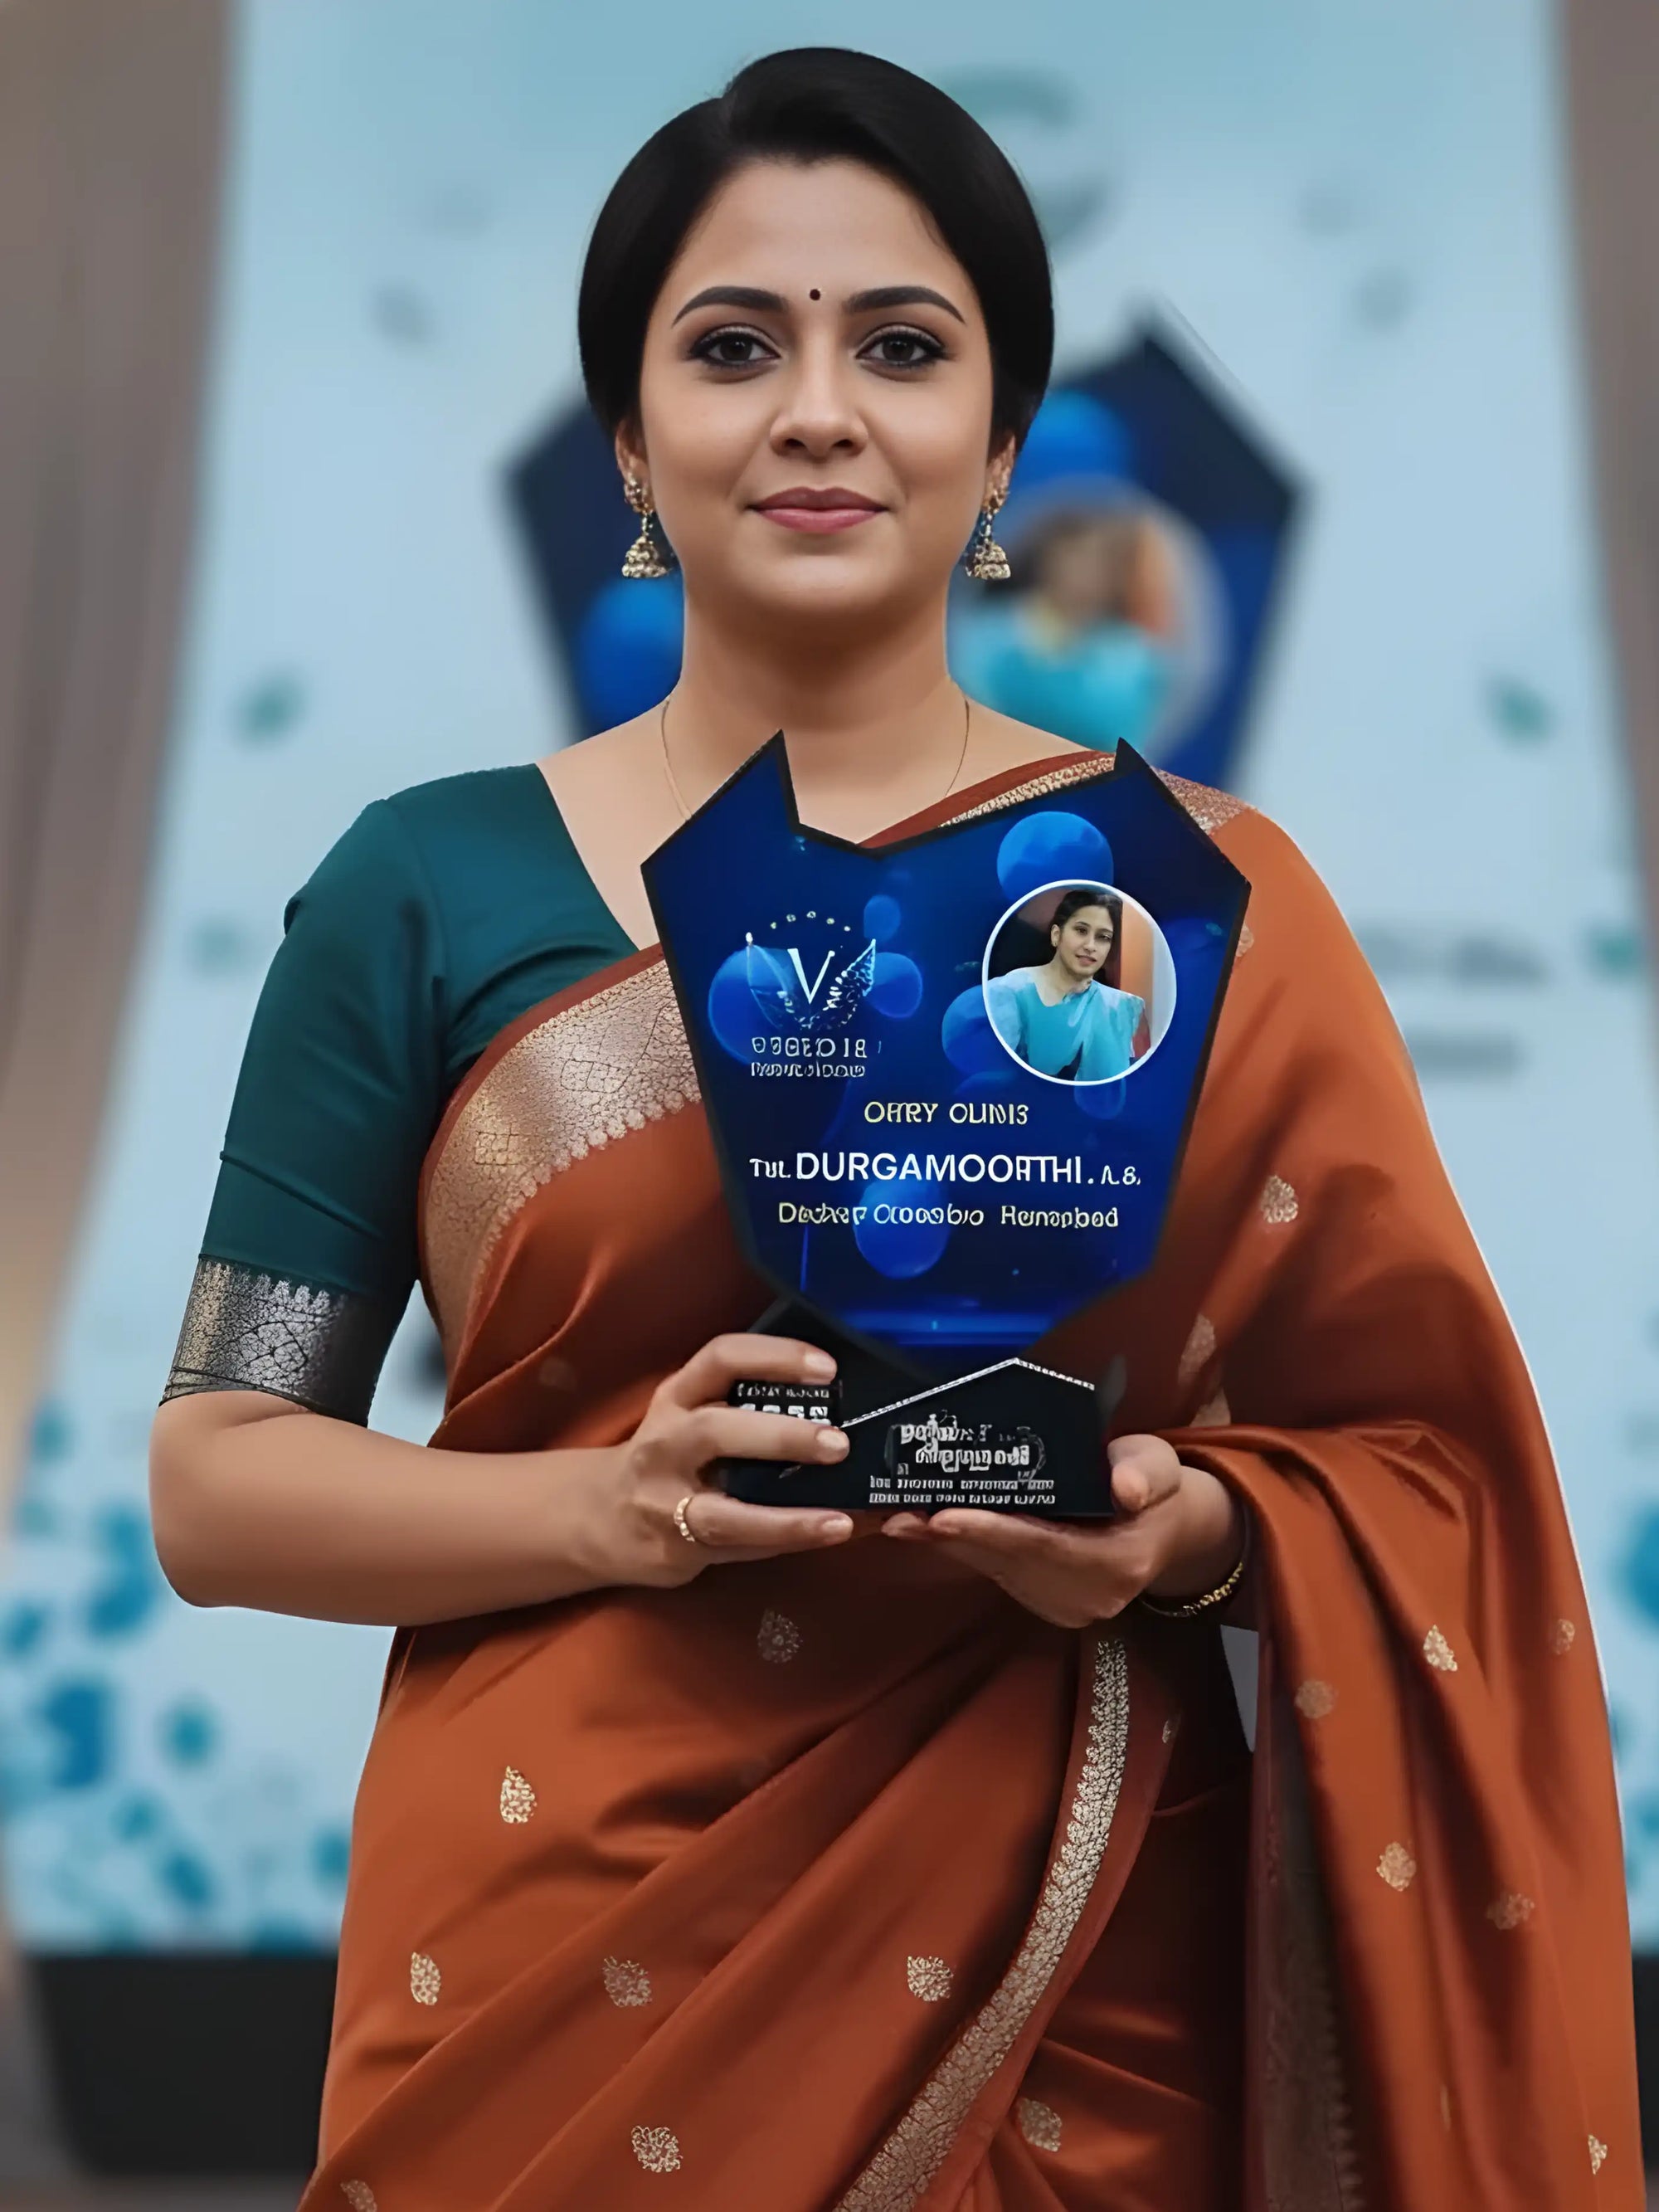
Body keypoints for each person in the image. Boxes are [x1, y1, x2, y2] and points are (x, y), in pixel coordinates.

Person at [148, 46, 1640, 2212]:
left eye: (905, 347)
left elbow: (1418, 1469)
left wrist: (1182, 1532)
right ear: (635, 445)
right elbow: (219, 1478)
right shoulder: (428, 887)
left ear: (1003, 449)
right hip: (557, 1945)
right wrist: (615, 1513)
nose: (822, 408)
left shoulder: (1190, 892)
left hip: (1082, 1968)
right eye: (736, 345)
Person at [951, 507, 1173, 753]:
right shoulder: (984, 635)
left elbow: (1123, 739)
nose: (1088, 571)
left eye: (1102, 561)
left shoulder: (1136, 660)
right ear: (1049, 557)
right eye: (1079, 555)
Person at [985, 887, 1146, 1083]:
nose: (1090, 946)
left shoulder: (1122, 1006)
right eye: (1081, 930)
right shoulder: (1010, 991)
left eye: (1103, 937)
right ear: (1056, 935)